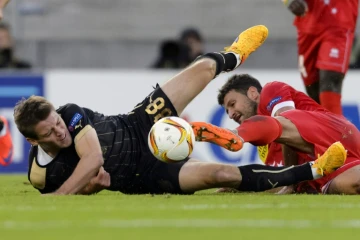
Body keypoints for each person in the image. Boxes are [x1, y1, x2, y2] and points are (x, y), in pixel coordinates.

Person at [13, 25, 344, 195]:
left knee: (199, 71)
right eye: (49, 133)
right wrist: (91, 187)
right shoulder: (41, 176)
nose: (59, 130)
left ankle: (234, 55)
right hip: (145, 175)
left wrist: (62, 197)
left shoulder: (71, 113)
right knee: (221, 175)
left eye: (56, 122)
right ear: (33, 142)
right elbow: (89, 179)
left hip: (139, 123)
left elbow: (93, 159)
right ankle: (313, 171)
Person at [192, 74, 360, 194]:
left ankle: (234, 135)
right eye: (227, 111)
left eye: (233, 104)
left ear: (252, 93)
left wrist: (291, 183)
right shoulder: (265, 145)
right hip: (330, 165)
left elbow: (287, 118)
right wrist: (240, 187)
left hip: (337, 135)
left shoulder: (270, 91)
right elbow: (282, 179)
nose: (231, 114)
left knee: (284, 120)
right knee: (341, 187)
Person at [282, 0, 358, 115]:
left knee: (330, 81)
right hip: (308, 21)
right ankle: (324, 128)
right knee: (313, 90)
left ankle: (337, 131)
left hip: (339, 20)